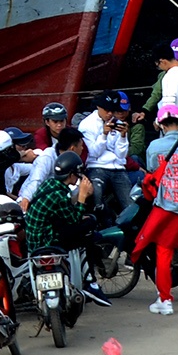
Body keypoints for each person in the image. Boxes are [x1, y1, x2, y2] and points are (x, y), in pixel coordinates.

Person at [22, 149, 112, 305]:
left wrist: (80, 197)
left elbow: (64, 209)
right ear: (71, 175)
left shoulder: (50, 184)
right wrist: (83, 197)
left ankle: (89, 278)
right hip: (48, 241)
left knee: (87, 222)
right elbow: (74, 219)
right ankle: (90, 281)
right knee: (88, 228)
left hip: (37, 239)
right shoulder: (59, 195)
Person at [138, 105, 178, 315]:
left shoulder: (153, 147)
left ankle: (165, 301)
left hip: (165, 208)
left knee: (164, 253)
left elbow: (152, 176)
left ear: (159, 124)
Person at [78, 90, 133, 219]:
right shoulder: (87, 124)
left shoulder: (117, 123)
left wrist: (124, 136)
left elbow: (121, 155)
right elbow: (93, 152)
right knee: (97, 200)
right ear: (98, 107)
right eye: (106, 110)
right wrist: (103, 135)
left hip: (118, 168)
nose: (110, 114)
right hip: (96, 167)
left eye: (112, 110)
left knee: (130, 204)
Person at [21, 126, 85, 206]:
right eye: (80, 146)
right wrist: (26, 199)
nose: (82, 148)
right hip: (36, 199)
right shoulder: (47, 158)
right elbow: (36, 180)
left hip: (56, 198)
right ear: (72, 148)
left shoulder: (72, 160)